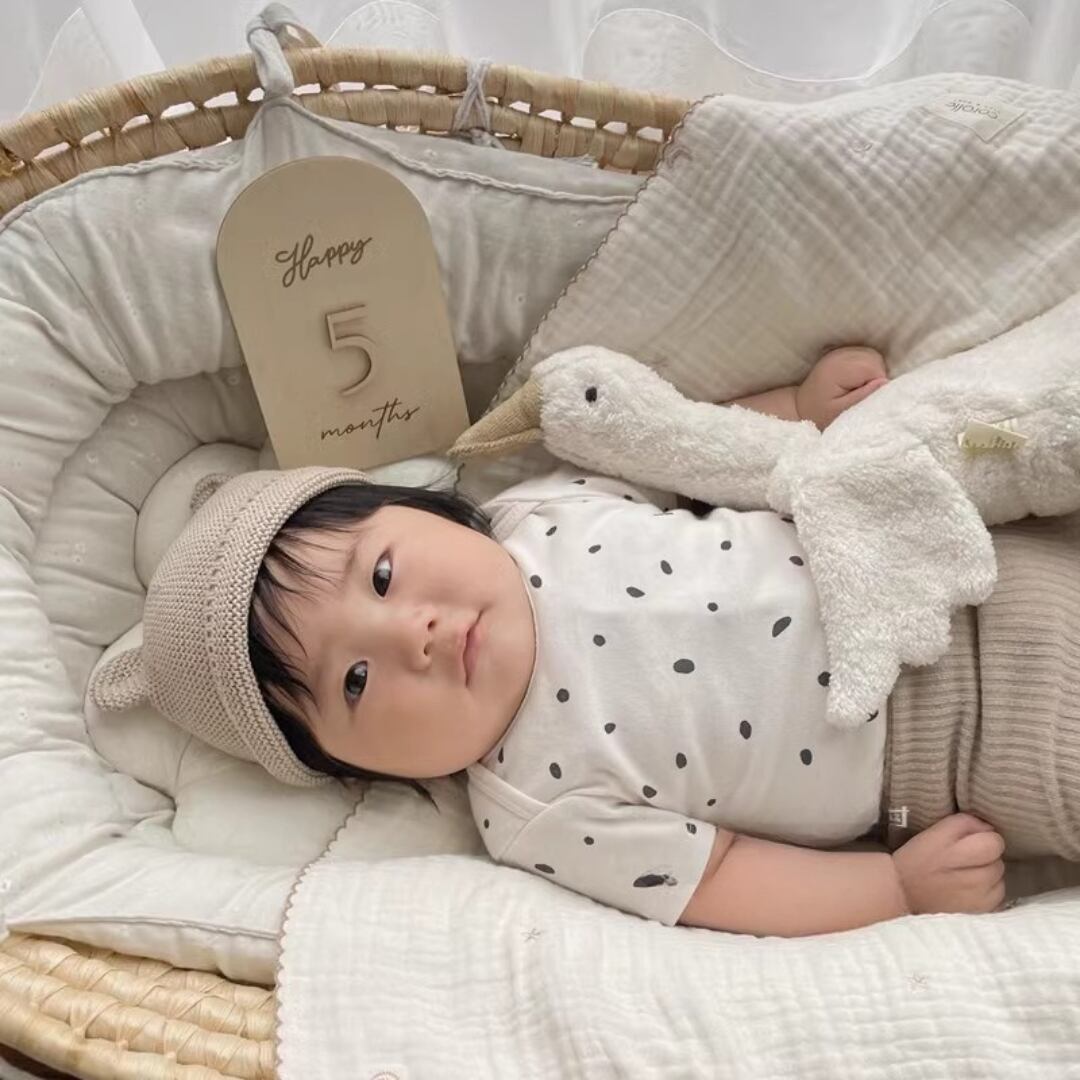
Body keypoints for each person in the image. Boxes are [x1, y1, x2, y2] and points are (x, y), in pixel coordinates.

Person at [91, 347, 1080, 936]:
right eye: (353, 680)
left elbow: (692, 450)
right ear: (354, 770)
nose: (412, 636)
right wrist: (893, 889)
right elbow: (722, 877)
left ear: (418, 509)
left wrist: (798, 413)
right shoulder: (534, 810)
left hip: (943, 550)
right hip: (963, 750)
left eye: (383, 576)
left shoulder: (540, 510)